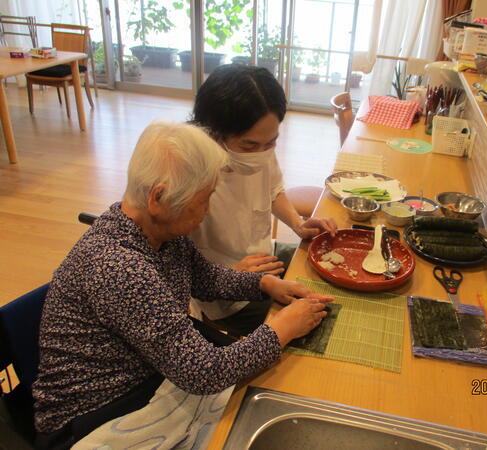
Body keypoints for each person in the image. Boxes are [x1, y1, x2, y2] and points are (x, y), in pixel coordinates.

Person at [33, 121, 332, 449]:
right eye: (203, 200)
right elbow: (203, 371)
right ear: (158, 198)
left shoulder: (156, 231)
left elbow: (206, 277)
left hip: (145, 378)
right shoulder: (121, 268)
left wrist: (265, 284)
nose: (206, 211)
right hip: (94, 416)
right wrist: (282, 329)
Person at [189, 64, 337, 335]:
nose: (262, 153)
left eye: (271, 143)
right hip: (225, 297)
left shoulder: (261, 145)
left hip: (263, 263)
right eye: (249, 145)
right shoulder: (189, 174)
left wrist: (297, 223)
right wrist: (231, 273)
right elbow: (166, 266)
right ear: (212, 133)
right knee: (323, 319)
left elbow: (272, 190)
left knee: (330, 275)